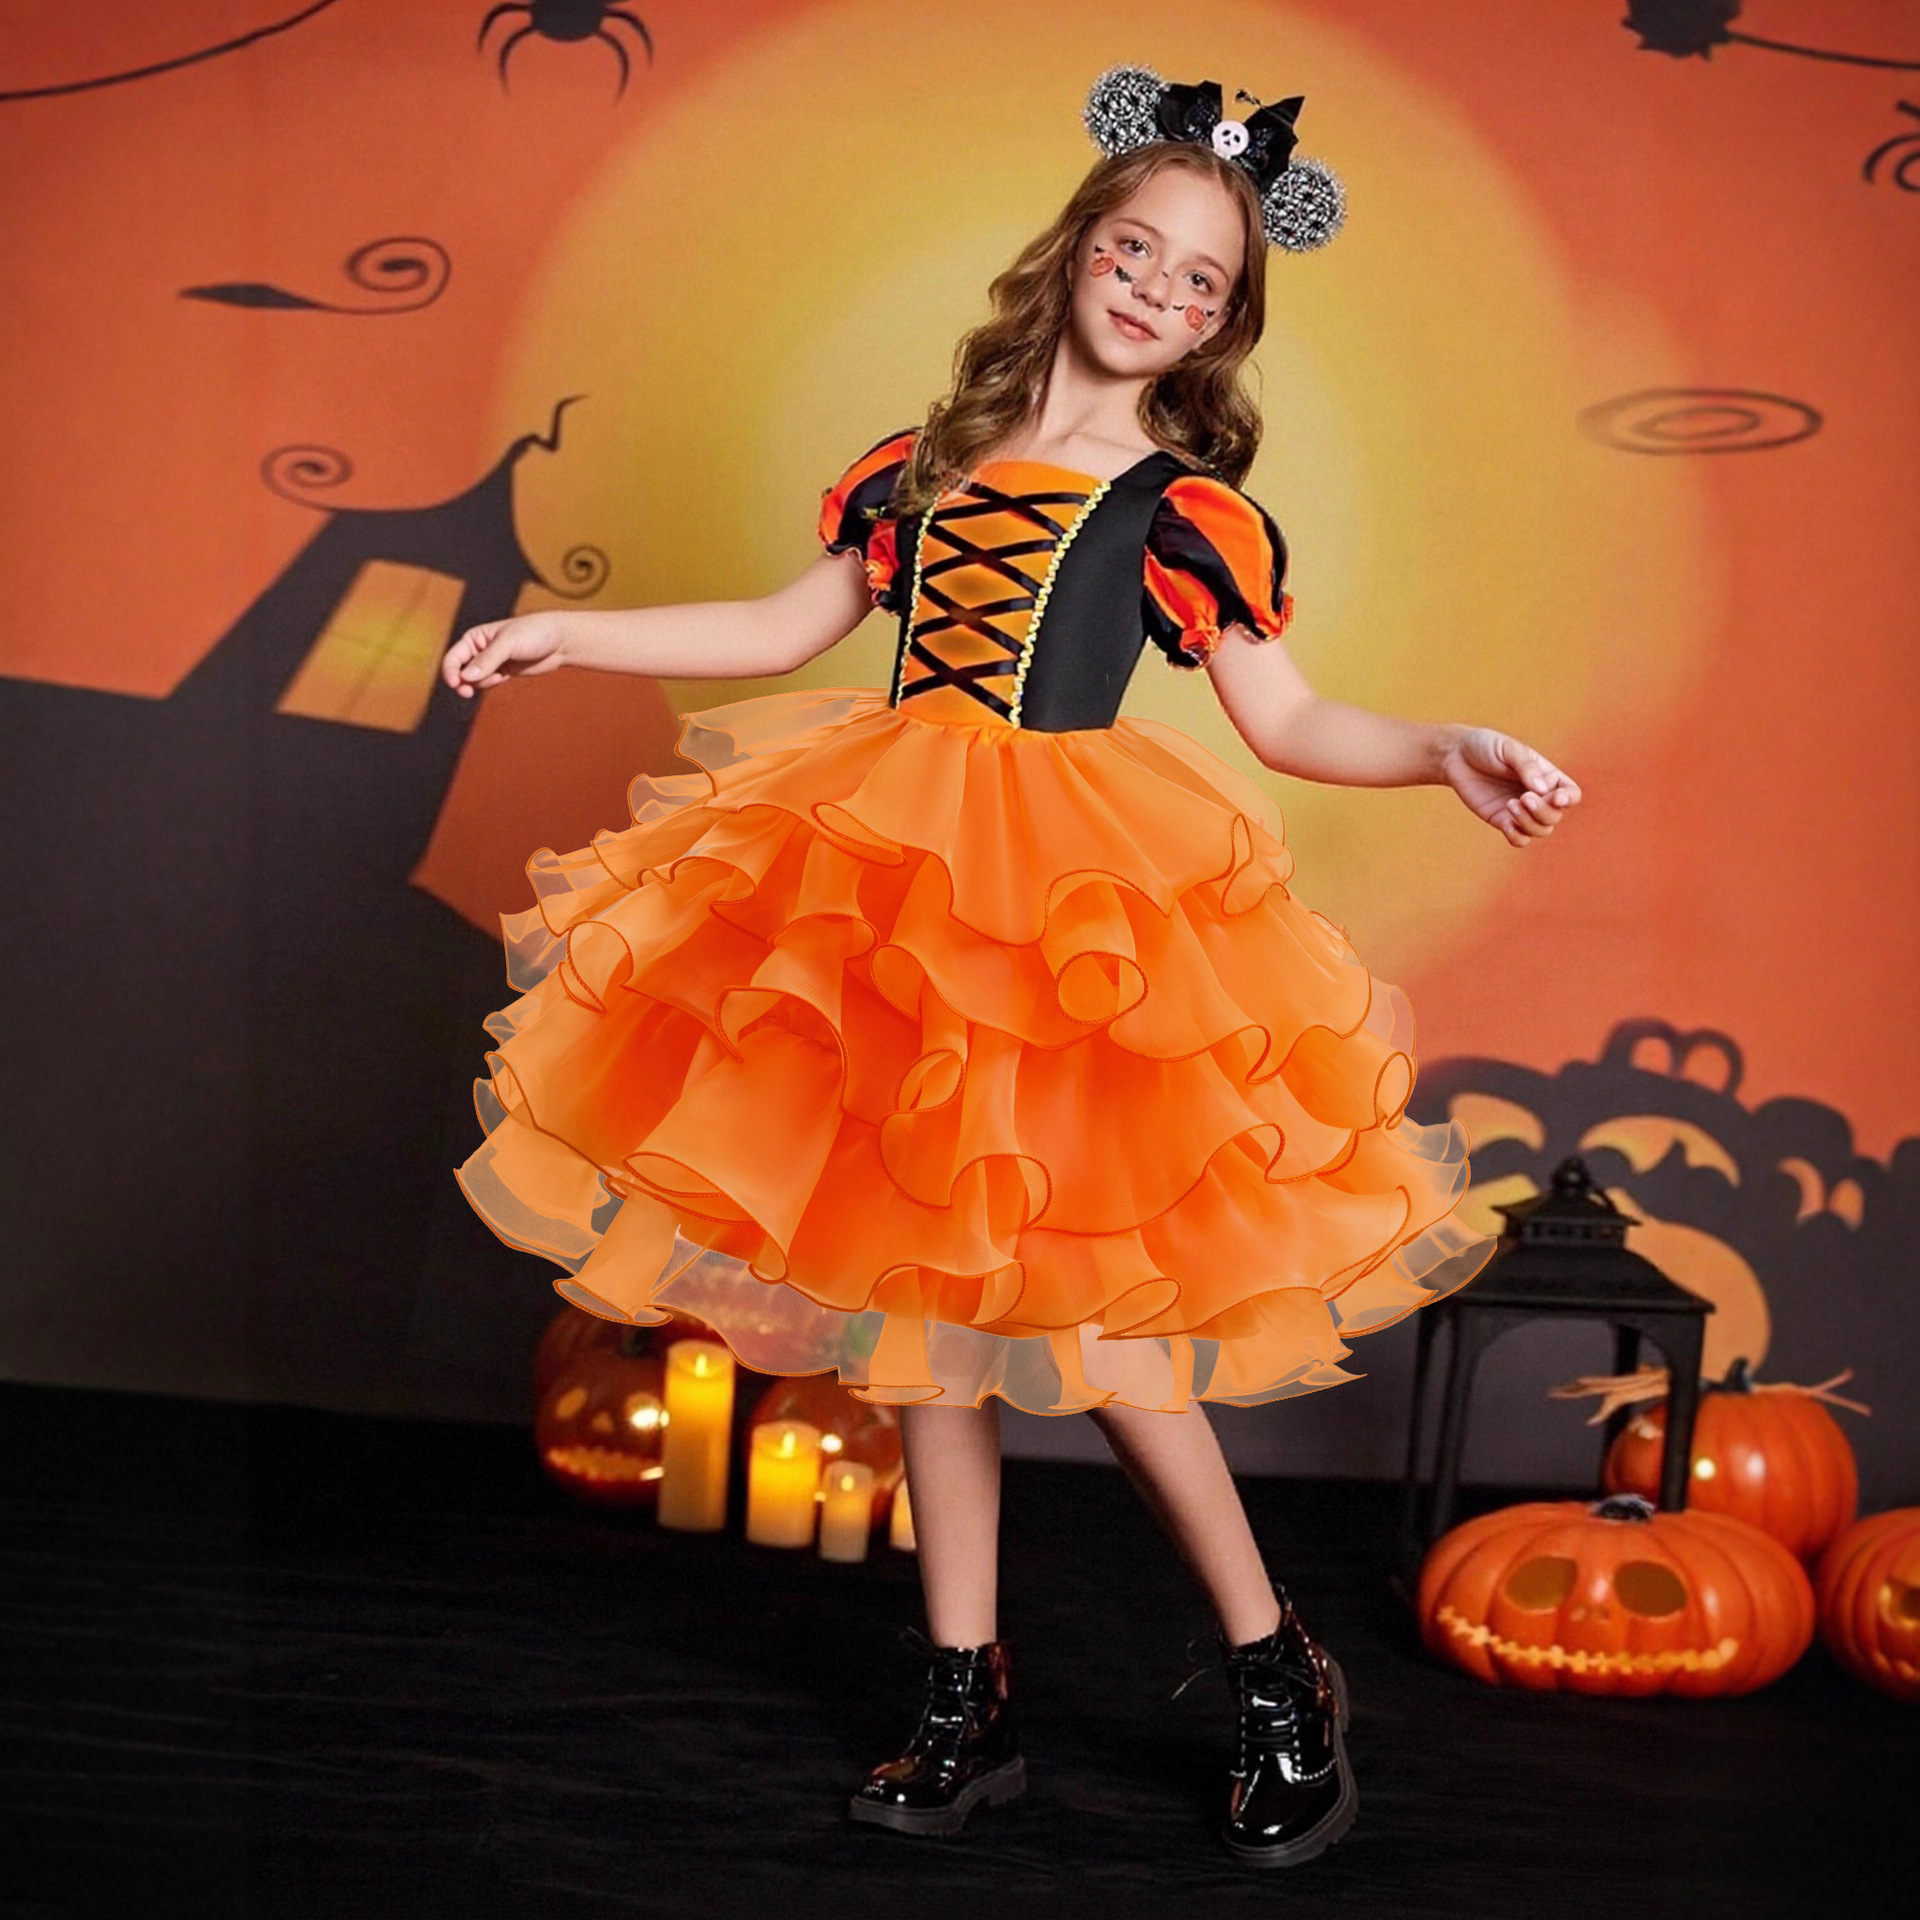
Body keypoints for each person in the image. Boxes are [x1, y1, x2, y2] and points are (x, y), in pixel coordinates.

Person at [439, 67, 1580, 1869]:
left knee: (1108, 1337)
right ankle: (962, 1699)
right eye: (1135, 249)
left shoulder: (1183, 509)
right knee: (923, 1320)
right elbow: (785, 626)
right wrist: (564, 633)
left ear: (1219, 325)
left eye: (1199, 280)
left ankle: (1278, 1670)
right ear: (1075, 250)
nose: (1155, 288)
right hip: (894, 896)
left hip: (1063, 925)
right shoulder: (919, 468)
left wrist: (1444, 746)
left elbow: (1288, 722)